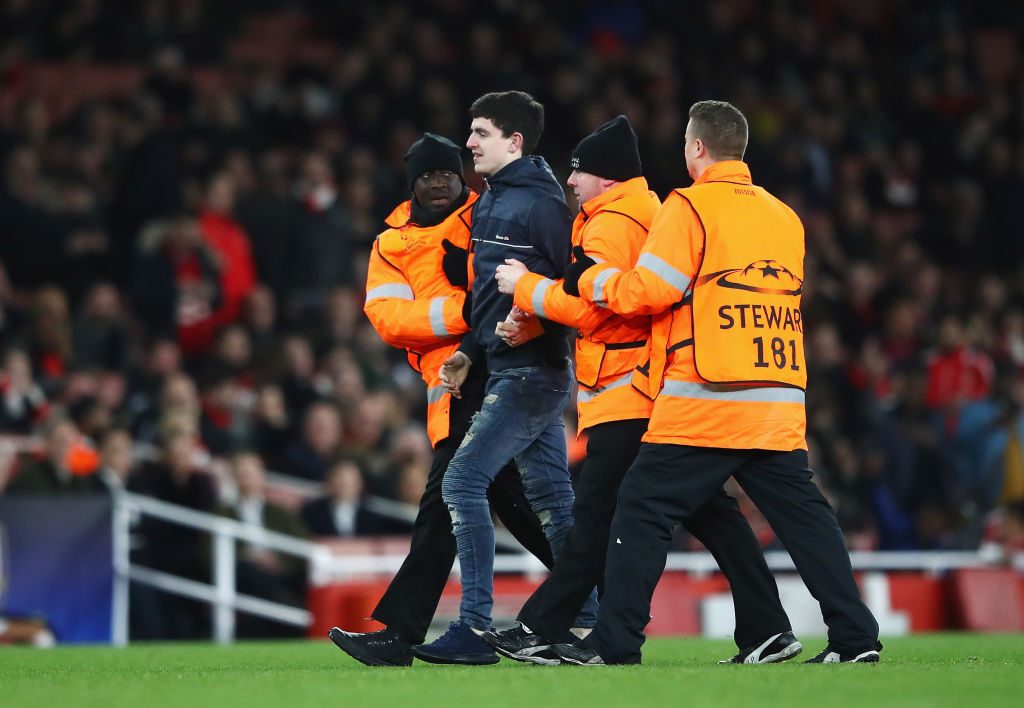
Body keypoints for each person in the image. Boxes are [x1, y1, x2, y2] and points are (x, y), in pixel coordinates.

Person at [547, 100, 881, 666]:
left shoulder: (690, 207)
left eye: (685, 144)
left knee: (640, 506)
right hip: (777, 397)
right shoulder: (784, 216)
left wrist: (589, 276)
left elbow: (646, 292)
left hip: (706, 394)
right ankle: (855, 639)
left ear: (697, 148)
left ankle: (615, 642)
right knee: (807, 521)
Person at [486, 116, 798, 665]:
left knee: (599, 515)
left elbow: (607, 307)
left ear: (604, 177)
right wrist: (534, 319)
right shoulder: (635, 212)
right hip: (648, 386)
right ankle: (768, 627)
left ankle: (544, 625)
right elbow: (595, 300)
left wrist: (529, 291)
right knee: (706, 512)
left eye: (578, 172)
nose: (571, 182)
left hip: (626, 389)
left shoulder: (612, 224)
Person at [328, 132, 555, 667]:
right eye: (427, 176)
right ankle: (593, 590)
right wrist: (463, 312)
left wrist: (464, 320)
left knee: (447, 499)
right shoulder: (391, 243)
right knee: (509, 500)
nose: (438, 183)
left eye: (447, 174)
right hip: (451, 383)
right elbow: (387, 320)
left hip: (493, 370)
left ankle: (401, 633)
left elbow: (509, 287)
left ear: (462, 177)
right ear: (412, 183)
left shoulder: (488, 215)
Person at [411, 91, 591, 666]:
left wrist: (536, 328)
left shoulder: (543, 207)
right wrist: (468, 350)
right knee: (554, 502)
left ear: (515, 142)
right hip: (504, 370)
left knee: (462, 482)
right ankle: (586, 618)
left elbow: (577, 290)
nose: (469, 143)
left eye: (481, 133)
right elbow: (492, 295)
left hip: (534, 374)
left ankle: (475, 628)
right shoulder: (493, 199)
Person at [300, 457, 405, 537]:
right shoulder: (312, 512)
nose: (344, 483)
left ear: (360, 484)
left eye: (349, 480)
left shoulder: (374, 516)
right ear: (329, 482)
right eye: (339, 478)